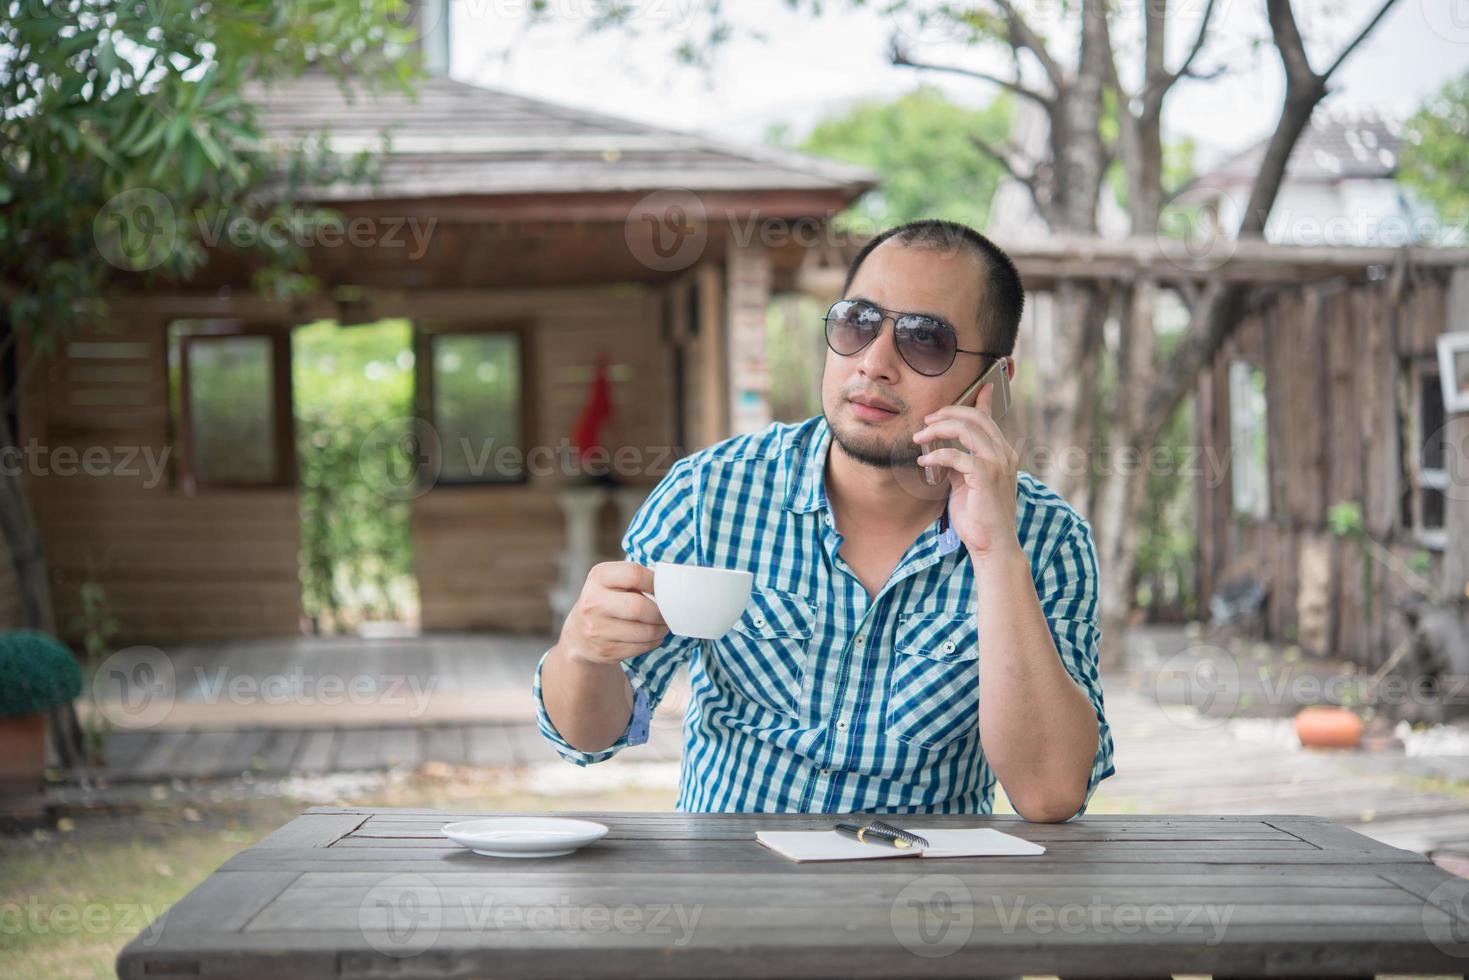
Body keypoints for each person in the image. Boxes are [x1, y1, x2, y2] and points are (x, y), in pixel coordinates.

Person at [534, 218, 1114, 821]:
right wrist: (580, 651)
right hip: (734, 883)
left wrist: (996, 555)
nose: (875, 363)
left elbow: (1050, 794)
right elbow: (589, 737)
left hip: (928, 897)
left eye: (924, 339)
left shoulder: (1045, 536)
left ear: (992, 380)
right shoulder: (710, 494)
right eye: (857, 322)